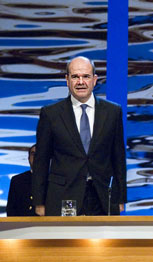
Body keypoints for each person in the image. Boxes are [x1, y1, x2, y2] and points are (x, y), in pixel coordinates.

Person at [32, 56, 127, 216]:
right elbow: (41, 160)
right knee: (66, 241)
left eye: (86, 76)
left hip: (102, 196)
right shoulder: (51, 114)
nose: (80, 82)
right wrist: (39, 201)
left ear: (95, 80)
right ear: (67, 80)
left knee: (103, 241)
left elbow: (118, 157)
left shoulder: (112, 112)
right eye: (75, 76)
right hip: (64, 195)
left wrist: (120, 197)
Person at [7, 144, 37, 216]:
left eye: (39, 154)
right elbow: (11, 209)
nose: (36, 157)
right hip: (22, 225)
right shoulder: (17, 180)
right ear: (28, 158)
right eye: (33, 154)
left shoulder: (53, 180)